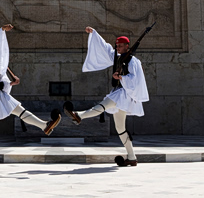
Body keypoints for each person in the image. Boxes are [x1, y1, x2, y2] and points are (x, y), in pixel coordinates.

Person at [0, 23, 61, 173]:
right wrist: (2, 30)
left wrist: (11, 82)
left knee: (19, 110)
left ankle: (44, 126)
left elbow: (0, 80)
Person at [63, 26, 150, 167]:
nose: (118, 47)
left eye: (121, 46)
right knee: (120, 128)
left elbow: (136, 80)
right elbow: (105, 48)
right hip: (119, 93)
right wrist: (94, 33)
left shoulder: (133, 61)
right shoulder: (117, 56)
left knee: (102, 105)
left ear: (127, 46)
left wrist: (121, 77)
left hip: (124, 94)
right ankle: (132, 157)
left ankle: (79, 115)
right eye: (117, 45)